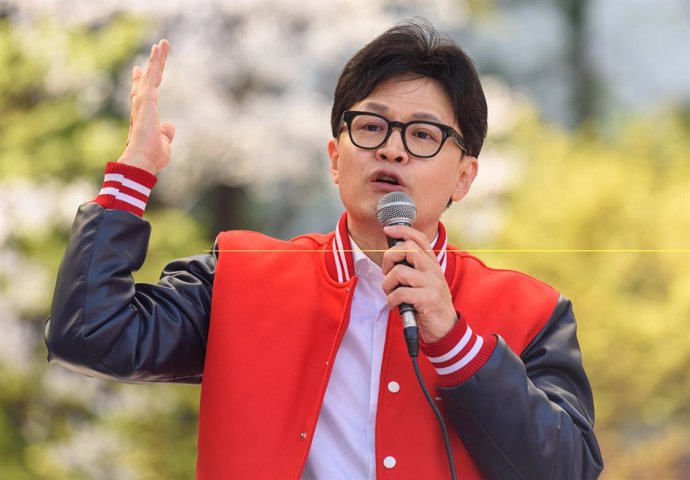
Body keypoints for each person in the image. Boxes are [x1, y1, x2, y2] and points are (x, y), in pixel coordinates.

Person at [46, 20, 603, 479]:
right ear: (335, 158)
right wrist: (133, 174)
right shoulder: (242, 278)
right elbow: (90, 334)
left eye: (424, 135)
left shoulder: (531, 312)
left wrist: (452, 339)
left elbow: (569, 469)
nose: (392, 148)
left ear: (464, 177)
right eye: (372, 126)